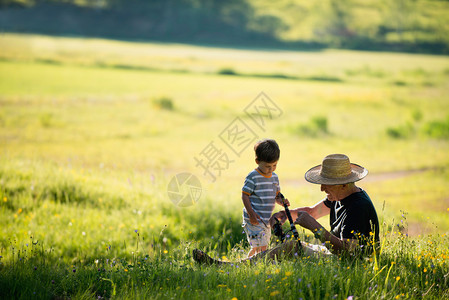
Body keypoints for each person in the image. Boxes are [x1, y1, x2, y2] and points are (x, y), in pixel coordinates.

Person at [192, 154, 379, 265]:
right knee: (291, 247)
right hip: (335, 253)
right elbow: (312, 212)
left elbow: (349, 254)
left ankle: (231, 268)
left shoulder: (357, 207)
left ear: (343, 184)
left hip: (353, 262)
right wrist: (284, 215)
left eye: (327, 184)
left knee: (292, 247)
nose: (322, 189)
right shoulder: (340, 196)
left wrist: (315, 228)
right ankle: (237, 266)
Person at [241, 139, 290, 257]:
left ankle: (249, 262)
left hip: (266, 218)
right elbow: (244, 195)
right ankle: (257, 264)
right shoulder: (253, 176)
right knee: (260, 246)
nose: (272, 169)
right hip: (254, 217)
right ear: (257, 161)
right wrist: (251, 214)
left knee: (262, 247)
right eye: (268, 166)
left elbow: (276, 196)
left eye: (275, 165)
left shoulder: (274, 177)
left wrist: (282, 201)